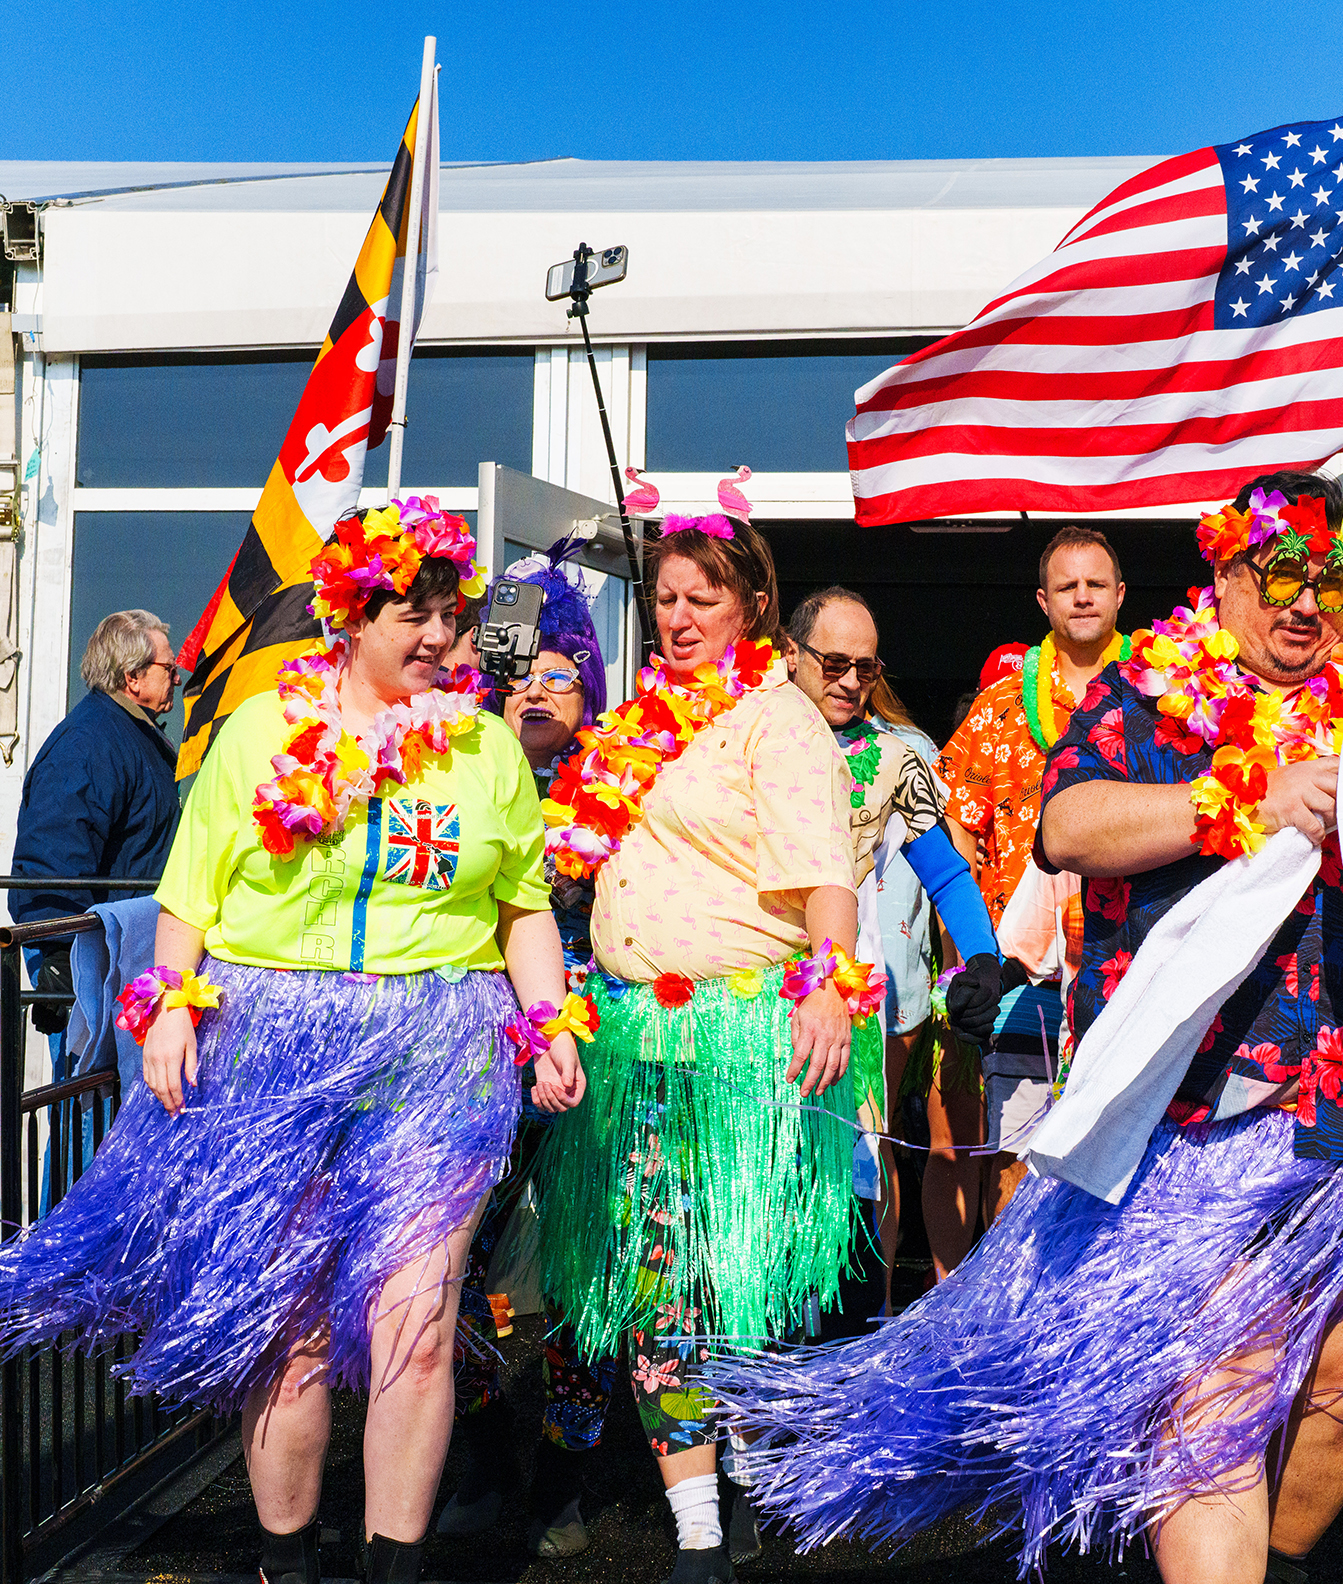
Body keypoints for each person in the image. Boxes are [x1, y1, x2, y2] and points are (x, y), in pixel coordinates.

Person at [711, 472, 1343, 1584]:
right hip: (1199, 1117)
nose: (1309, 602)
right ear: (1228, 575)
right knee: (1217, 1391)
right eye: (1284, 573)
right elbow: (1066, 825)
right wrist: (1235, 800)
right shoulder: (1147, 700)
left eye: (1331, 576)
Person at [0, 499, 585, 1584]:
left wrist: (548, 1023)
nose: (439, 638)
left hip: (434, 1044)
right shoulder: (261, 734)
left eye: (447, 615)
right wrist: (169, 998)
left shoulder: (487, 747)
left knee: (418, 1320)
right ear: (349, 616)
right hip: (274, 1044)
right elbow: (191, 893)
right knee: (295, 1329)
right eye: (412, 614)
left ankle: (391, 1571)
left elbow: (524, 906)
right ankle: (284, 1562)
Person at [530, 493, 870, 1584]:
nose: (677, 618)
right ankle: (696, 1536)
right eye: (664, 598)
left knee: (742, 1290)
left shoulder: (780, 720)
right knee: (657, 1282)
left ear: (751, 606)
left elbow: (829, 880)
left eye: (701, 599)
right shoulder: (641, 718)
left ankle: (748, 1478)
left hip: (737, 1040)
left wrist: (829, 992)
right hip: (635, 1041)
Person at [439, 544, 617, 1551]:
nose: (539, 690)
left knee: (587, 1276)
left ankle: (562, 1477)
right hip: (470, 1064)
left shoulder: (628, 788)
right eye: (523, 673)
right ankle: (477, 1460)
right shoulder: (460, 770)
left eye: (563, 675)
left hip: (594, 1072)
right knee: (451, 1270)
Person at [783, 587, 1002, 1303]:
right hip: (743, 1001)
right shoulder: (741, 733)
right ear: (793, 654)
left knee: (856, 1177)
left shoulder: (891, 758)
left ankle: (857, 1346)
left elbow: (945, 872)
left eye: (866, 668)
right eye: (834, 662)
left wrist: (984, 961)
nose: (849, 681)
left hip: (847, 1006)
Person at [935, 527, 1128, 1229]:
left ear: (1120, 596)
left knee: (1125, 1159)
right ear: (1044, 601)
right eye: (1068, 586)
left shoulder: (1165, 699)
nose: (1083, 596)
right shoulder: (1000, 707)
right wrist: (970, 957)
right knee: (1016, 1160)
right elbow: (953, 823)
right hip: (1022, 977)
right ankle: (1014, 1327)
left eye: (1096, 584)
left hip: (1130, 966)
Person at [11, 611, 181, 1063]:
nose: (178, 677)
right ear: (133, 677)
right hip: (92, 964)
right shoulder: (89, 742)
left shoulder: (127, 734)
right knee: (90, 1113)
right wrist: (59, 960)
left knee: (107, 1112)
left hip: (123, 958)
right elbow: (50, 853)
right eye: (169, 667)